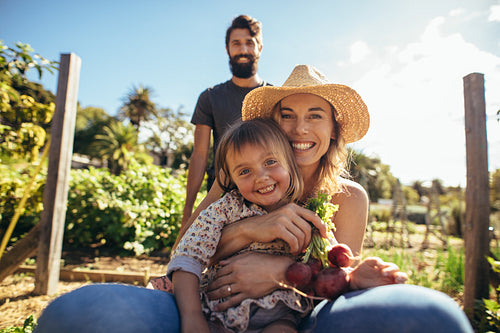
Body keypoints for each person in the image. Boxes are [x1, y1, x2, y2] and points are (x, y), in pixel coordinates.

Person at [34, 65, 474, 333]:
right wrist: (245, 230)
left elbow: (333, 283)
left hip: (291, 318)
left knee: (429, 318)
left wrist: (280, 268)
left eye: (315, 116)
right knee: (80, 316)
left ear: (335, 129)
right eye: (288, 116)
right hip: (212, 308)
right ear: (270, 127)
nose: (300, 129)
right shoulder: (232, 188)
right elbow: (186, 252)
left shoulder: (349, 198)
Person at [170, 119, 312, 333]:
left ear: (290, 164)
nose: (261, 177)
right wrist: (192, 316)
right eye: (245, 171)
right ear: (232, 179)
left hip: (279, 317)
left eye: (270, 162)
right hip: (219, 314)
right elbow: (187, 257)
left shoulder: (306, 215)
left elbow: (325, 264)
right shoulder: (224, 210)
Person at [182, 14, 272, 229]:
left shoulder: (274, 98)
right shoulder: (210, 97)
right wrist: (188, 210)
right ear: (227, 49)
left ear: (260, 47)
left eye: (250, 43)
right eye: (236, 43)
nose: (243, 50)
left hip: (265, 196)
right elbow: (200, 155)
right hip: (219, 195)